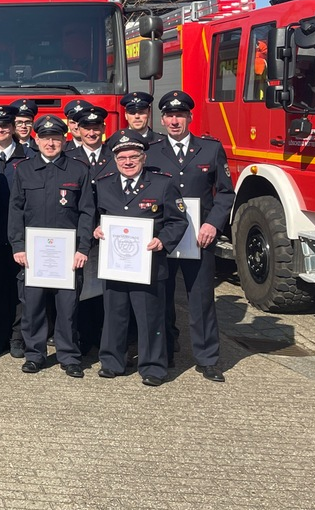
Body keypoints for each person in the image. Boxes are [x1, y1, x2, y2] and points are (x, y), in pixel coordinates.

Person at [148, 90, 234, 382]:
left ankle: (208, 359)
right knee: (162, 297)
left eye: (180, 115)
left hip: (200, 236)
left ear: (190, 117)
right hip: (163, 236)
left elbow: (225, 192)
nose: (175, 121)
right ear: (162, 119)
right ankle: (166, 351)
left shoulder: (210, 149)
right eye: (170, 116)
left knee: (201, 298)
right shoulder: (152, 151)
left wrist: (213, 224)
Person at [93, 130, 188, 387]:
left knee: (150, 319)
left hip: (149, 265)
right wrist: (96, 230)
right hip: (115, 265)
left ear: (143, 157)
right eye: (122, 157)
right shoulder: (103, 185)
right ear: (114, 159)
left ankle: (153, 367)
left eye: (133, 156)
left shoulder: (163, 184)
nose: (128, 162)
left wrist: (163, 241)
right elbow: (92, 217)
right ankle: (112, 362)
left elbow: (178, 222)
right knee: (115, 315)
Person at [8, 114, 95, 377]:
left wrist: (83, 248)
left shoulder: (78, 170)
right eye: (45, 138)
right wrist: (18, 245)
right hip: (33, 254)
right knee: (32, 306)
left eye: (56, 138)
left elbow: (87, 213)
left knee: (67, 307)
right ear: (36, 139)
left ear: (64, 139)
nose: (50, 143)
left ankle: (69, 355)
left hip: (67, 255)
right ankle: (35, 354)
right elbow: (16, 211)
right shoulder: (23, 169)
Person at [0, 104, 32, 359]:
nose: (0, 129)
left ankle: (18, 337)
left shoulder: (29, 157)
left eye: (5, 125)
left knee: (21, 290)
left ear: (13, 127)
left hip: (22, 237)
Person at [65, 105, 114, 355]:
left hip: (109, 234)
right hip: (78, 232)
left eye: (96, 128)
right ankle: (83, 338)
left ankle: (105, 338)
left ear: (103, 129)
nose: (92, 133)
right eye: (87, 128)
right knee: (81, 285)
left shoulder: (115, 155)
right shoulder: (67, 155)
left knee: (107, 288)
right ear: (78, 130)